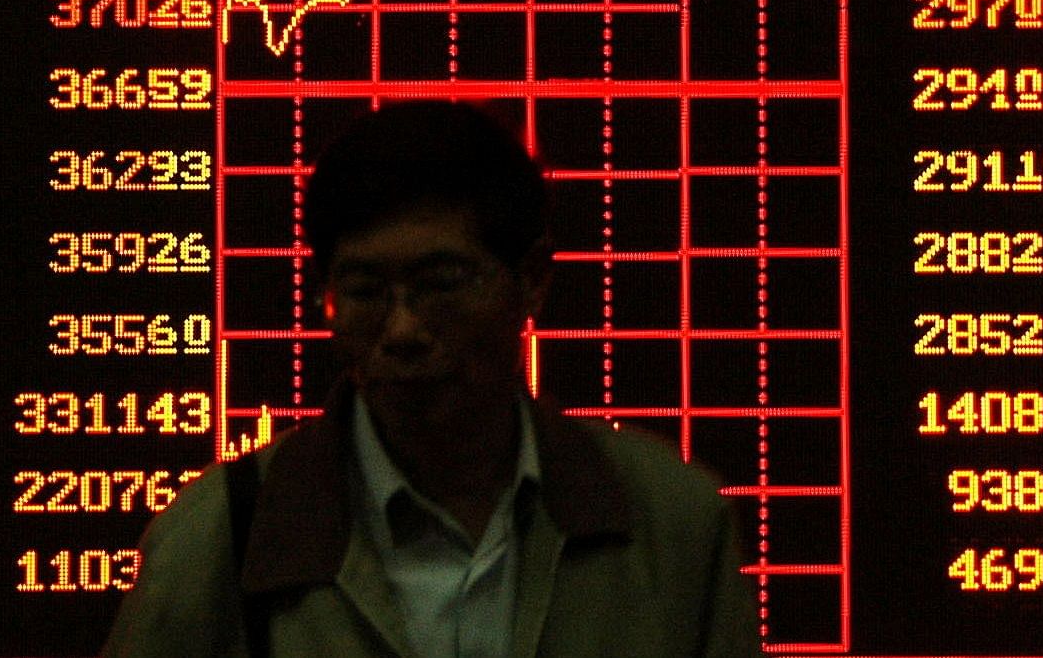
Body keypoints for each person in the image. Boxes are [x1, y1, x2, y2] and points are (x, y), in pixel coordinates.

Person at [102, 100, 759, 657]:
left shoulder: (677, 528)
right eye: (365, 291)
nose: (403, 331)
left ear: (531, 281)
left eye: (440, 285)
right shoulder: (216, 543)